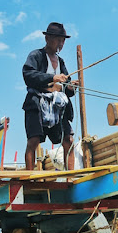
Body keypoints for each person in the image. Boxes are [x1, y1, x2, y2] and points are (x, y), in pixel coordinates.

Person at [22, 22, 77, 170]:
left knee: (68, 139)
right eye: (58, 39)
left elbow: (67, 88)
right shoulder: (35, 55)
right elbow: (28, 74)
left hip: (57, 105)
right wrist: (52, 78)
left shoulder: (61, 62)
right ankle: (30, 175)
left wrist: (71, 87)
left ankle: (69, 175)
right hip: (37, 103)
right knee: (33, 140)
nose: (61, 43)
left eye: (63, 40)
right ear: (47, 39)